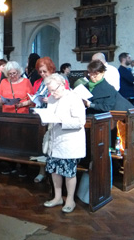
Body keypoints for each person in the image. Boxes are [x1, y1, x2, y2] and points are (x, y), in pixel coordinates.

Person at [41, 74, 86, 213]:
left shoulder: (74, 98)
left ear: (63, 84)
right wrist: (44, 118)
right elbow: (50, 116)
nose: (52, 93)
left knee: (68, 172)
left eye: (54, 90)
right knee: (54, 171)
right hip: (55, 140)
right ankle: (57, 197)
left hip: (69, 141)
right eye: (50, 91)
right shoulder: (52, 99)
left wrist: (61, 120)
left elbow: (80, 121)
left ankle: (70, 200)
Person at [32, 57, 70, 183]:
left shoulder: (59, 80)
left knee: (51, 146)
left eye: (45, 71)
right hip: (40, 116)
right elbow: (35, 94)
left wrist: (50, 100)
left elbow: (66, 96)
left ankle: (52, 174)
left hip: (54, 117)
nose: (42, 74)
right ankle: (42, 171)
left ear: (51, 69)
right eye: (40, 71)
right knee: (42, 146)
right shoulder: (39, 82)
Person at [0, 61, 34, 177]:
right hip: (7, 115)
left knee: (22, 142)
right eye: (10, 74)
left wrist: (22, 104)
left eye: (15, 73)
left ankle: (23, 167)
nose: (13, 76)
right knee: (8, 141)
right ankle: (9, 165)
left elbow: (32, 99)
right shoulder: (4, 82)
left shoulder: (26, 82)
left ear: (19, 72)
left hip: (22, 115)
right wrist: (2, 101)